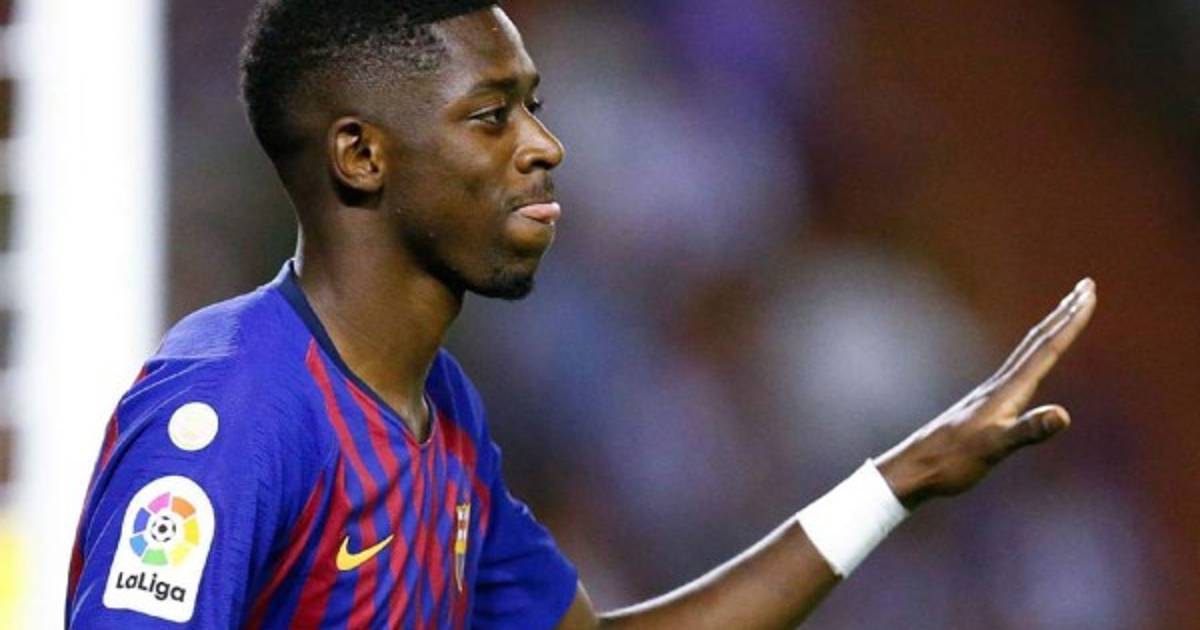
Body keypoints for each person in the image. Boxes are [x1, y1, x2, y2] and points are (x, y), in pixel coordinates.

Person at [64, 1, 1098, 628]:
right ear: (362, 155)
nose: (544, 145)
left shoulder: (441, 415)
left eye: (534, 105)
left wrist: (897, 480)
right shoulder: (233, 406)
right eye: (491, 115)